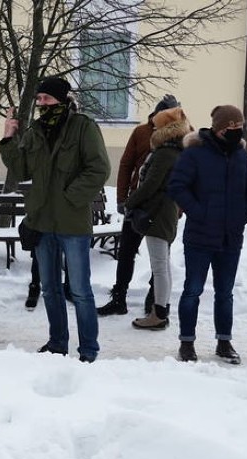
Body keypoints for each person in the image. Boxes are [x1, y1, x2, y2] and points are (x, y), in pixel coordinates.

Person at [0, 76, 111, 363]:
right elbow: (21, 170)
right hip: (42, 222)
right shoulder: (36, 130)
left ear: (61, 99)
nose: (41, 104)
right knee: (49, 288)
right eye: (39, 99)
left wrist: (70, 196)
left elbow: (99, 169)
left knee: (80, 290)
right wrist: (9, 137)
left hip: (73, 222)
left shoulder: (83, 126)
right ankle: (57, 343)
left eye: (46, 99)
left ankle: (88, 350)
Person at [168, 105, 247, 364]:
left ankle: (224, 341)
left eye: (239, 127)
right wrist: (199, 212)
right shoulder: (194, 154)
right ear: (219, 129)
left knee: (225, 292)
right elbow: (176, 186)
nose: (236, 131)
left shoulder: (242, 156)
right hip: (200, 235)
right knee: (193, 290)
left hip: (231, 236)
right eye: (231, 128)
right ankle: (187, 343)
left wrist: (245, 213)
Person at [97, 94, 180, 317]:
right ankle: (119, 298)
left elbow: (186, 176)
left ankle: (154, 300)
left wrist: (178, 208)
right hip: (137, 204)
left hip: (162, 208)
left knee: (160, 258)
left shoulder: (182, 137)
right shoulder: (141, 132)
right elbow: (126, 165)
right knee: (126, 252)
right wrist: (122, 199)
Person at [125, 107, 190, 330]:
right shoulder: (175, 150)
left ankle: (159, 314)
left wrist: (131, 202)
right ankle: (162, 308)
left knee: (160, 267)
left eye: (157, 125)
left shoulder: (165, 153)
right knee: (163, 266)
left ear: (165, 128)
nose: (153, 127)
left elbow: (151, 184)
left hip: (157, 213)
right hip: (165, 212)